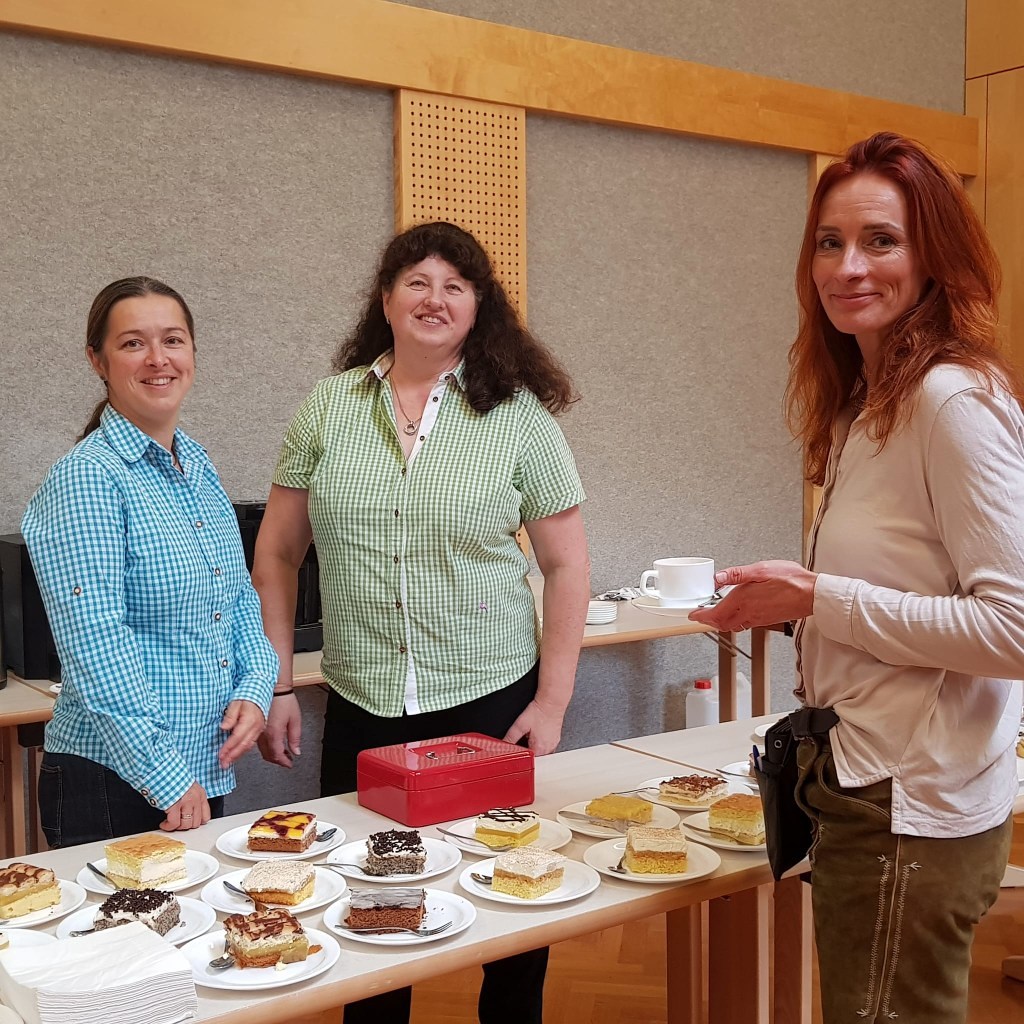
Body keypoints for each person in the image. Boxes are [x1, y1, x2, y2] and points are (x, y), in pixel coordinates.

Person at [690, 132, 1024, 1023]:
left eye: (881, 240)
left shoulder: (952, 400)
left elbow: (1014, 630)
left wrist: (819, 598)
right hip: (863, 779)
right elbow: (905, 582)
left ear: (934, 257)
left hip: (910, 806)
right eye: (829, 243)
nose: (848, 267)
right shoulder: (865, 404)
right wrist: (795, 604)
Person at [253, 221, 590, 1023]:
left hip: (489, 701)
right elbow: (277, 553)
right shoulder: (329, 407)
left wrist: (552, 702)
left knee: (510, 901)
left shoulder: (519, 419)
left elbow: (568, 565)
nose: (435, 299)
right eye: (417, 282)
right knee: (369, 905)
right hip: (364, 704)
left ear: (478, 307)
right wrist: (277, 682)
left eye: (455, 286)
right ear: (386, 299)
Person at [23, 276, 279, 847]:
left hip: (200, 764)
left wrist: (255, 687)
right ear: (98, 360)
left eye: (173, 340)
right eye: (133, 343)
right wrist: (163, 774)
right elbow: (96, 645)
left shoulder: (198, 466)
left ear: (192, 354)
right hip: (116, 780)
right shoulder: (87, 479)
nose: (158, 359)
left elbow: (237, 598)